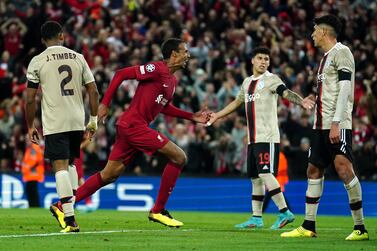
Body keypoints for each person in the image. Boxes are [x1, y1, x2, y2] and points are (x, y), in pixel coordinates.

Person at [50, 38, 211, 228]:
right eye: (185, 51)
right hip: (134, 126)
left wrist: (192, 117)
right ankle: (158, 211)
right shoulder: (156, 69)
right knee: (179, 157)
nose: (188, 55)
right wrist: (105, 103)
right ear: (174, 54)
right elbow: (121, 74)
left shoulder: (172, 81)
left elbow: (165, 107)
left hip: (130, 127)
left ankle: (62, 205)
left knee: (109, 174)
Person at [281, 14, 369, 241]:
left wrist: (336, 122)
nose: (312, 35)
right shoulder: (325, 58)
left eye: (314, 31)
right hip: (320, 124)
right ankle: (308, 225)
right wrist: (314, 98)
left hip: (336, 124)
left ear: (323, 31)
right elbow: (330, 91)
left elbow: (345, 90)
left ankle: (360, 228)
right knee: (313, 170)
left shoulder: (342, 52)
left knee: (343, 169)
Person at [207, 47, 314, 229]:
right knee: (255, 178)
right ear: (253, 61)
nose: (264, 61)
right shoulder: (247, 82)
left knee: (265, 174)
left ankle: (284, 212)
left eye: (266, 59)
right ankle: (256, 218)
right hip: (253, 138)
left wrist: (301, 101)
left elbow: (285, 92)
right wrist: (217, 115)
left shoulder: (271, 80)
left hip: (268, 136)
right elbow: (236, 102)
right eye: (260, 58)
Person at [25, 21, 99, 233]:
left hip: (55, 120)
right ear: (62, 36)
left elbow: (30, 98)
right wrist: (93, 119)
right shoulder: (79, 57)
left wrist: (30, 125)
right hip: (77, 119)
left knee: (60, 166)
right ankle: (66, 207)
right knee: (71, 164)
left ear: (42, 41)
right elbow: (93, 91)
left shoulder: (38, 61)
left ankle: (69, 219)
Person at [21, 136, 45, 208]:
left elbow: (33, 160)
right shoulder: (30, 148)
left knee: (32, 192)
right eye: (26, 140)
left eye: (28, 140)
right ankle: (33, 206)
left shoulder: (33, 149)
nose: (26, 142)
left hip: (33, 175)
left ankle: (34, 206)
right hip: (30, 175)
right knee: (30, 191)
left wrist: (25, 169)